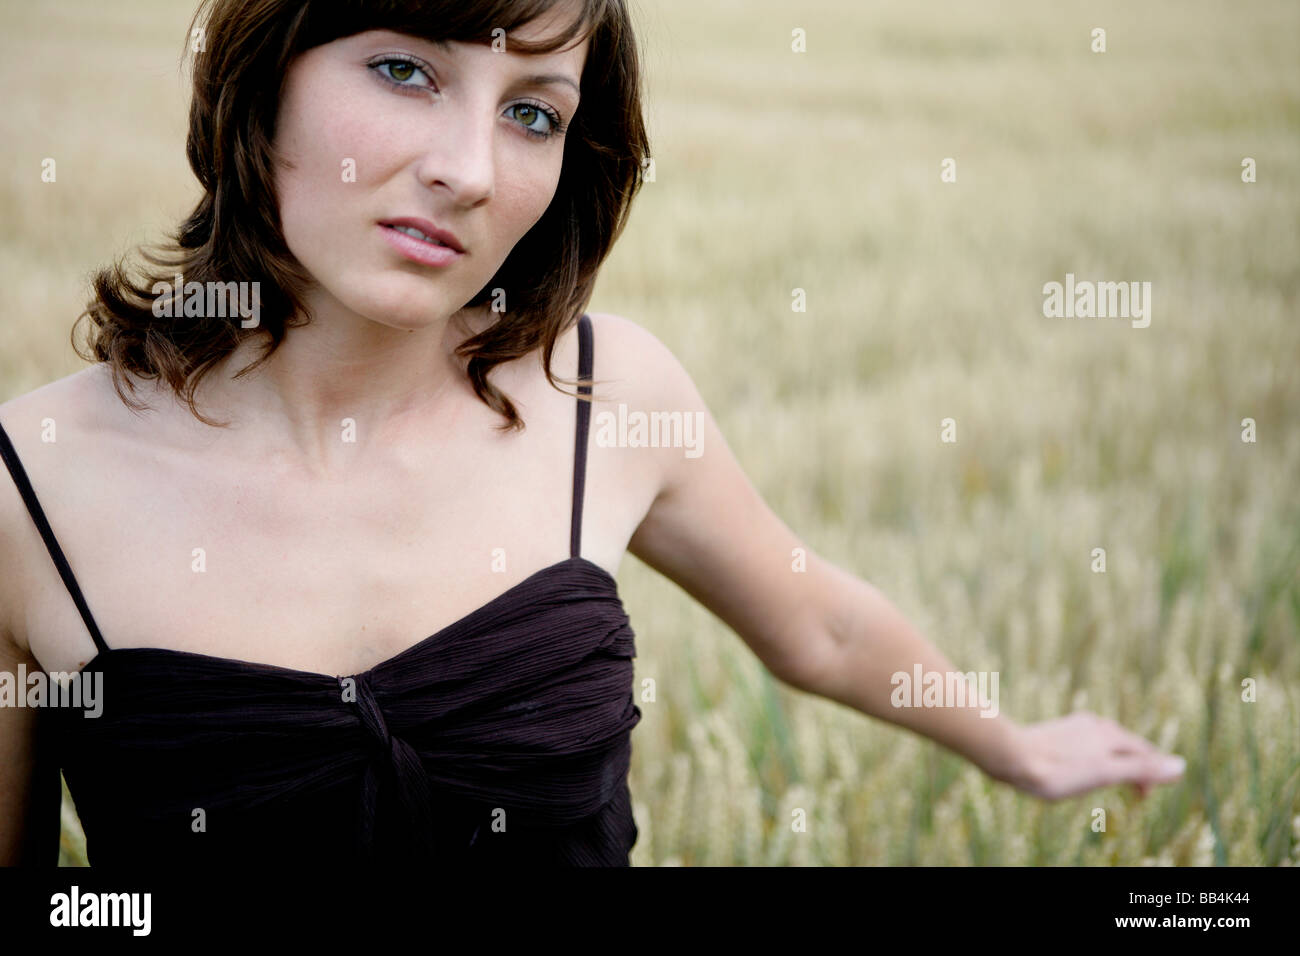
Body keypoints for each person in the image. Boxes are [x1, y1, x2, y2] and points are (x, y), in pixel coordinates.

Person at [0, 0, 1185, 867]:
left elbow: (814, 621)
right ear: (260, 81)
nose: (469, 170)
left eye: (531, 112)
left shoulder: (604, 396)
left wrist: (1016, 747)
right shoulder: (31, 491)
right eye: (404, 69)